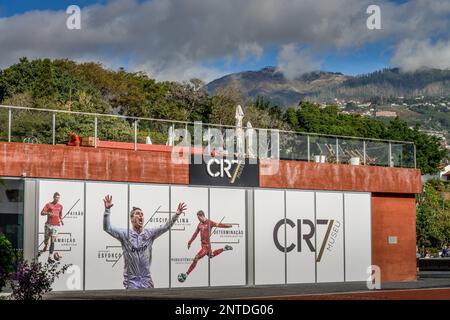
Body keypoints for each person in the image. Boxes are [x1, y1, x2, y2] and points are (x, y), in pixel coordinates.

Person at [102, 195, 187, 289]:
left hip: (146, 280)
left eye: (142, 214)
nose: (140, 216)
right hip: (131, 282)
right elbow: (107, 228)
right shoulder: (125, 234)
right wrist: (107, 210)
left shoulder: (149, 234)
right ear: (131, 219)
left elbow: (166, 227)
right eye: (137, 214)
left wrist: (177, 214)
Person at [178, 210, 233, 283]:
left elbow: (219, 224)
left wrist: (227, 226)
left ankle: (186, 274)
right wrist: (190, 242)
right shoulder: (199, 224)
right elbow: (195, 233)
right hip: (203, 244)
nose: (198, 219)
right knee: (211, 255)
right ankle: (224, 248)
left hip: (206, 246)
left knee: (196, 257)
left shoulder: (209, 222)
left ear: (202, 216)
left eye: (198, 217)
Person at [40, 192, 64, 262]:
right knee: (46, 240)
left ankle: (50, 257)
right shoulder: (48, 205)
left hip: (56, 225)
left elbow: (60, 215)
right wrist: (48, 213)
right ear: (53, 197)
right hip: (48, 225)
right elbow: (42, 213)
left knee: (52, 241)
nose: (57, 199)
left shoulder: (60, 206)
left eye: (58, 197)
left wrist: (61, 220)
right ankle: (46, 245)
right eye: (56, 197)